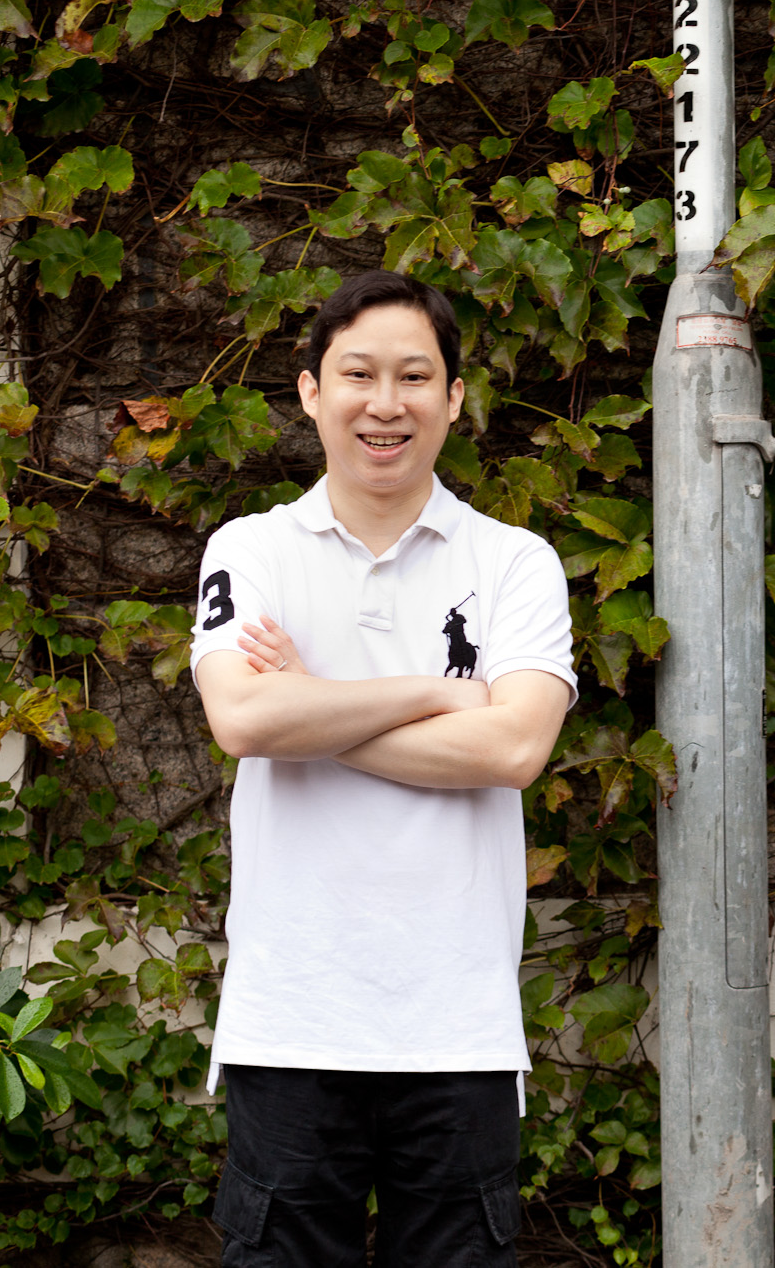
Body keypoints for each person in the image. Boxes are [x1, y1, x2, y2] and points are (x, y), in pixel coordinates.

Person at [189, 271, 577, 1266]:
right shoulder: (251, 548)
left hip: (457, 1030)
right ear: (311, 390)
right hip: (292, 1020)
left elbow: (513, 748)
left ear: (453, 396)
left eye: (415, 376)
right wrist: (440, 692)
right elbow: (242, 718)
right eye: (358, 374)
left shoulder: (515, 561)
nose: (385, 403)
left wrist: (311, 703)